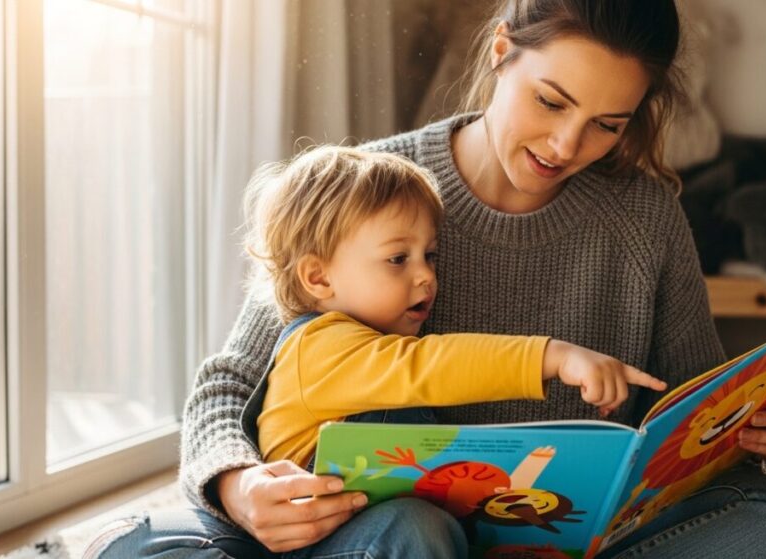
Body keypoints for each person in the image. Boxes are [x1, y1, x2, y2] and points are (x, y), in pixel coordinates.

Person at [88, 1, 766, 557]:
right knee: (416, 536)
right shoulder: (374, 191)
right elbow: (228, 385)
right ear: (500, 52)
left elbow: (689, 398)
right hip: (394, 531)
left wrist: (755, 425)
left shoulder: (647, 215)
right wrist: (238, 485)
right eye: (550, 100)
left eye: (608, 124)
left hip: (567, 535)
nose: (566, 143)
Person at [242, 145, 664, 470]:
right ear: (318, 278)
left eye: (431, 255)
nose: (426, 275)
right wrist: (555, 357)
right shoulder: (318, 348)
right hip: (322, 541)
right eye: (397, 259)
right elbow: (431, 366)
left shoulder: (368, 344)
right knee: (414, 524)